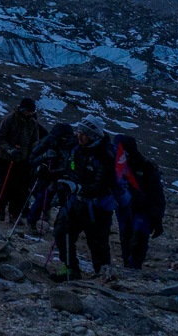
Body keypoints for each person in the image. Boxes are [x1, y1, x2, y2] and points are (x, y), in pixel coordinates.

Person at [55, 116, 116, 280]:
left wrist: (77, 188)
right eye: (79, 131)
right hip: (75, 202)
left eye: (84, 133)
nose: (79, 136)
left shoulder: (106, 156)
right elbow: (70, 170)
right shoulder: (78, 149)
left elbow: (101, 187)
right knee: (62, 233)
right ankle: (70, 268)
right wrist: (52, 175)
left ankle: (102, 276)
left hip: (97, 208)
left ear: (93, 136)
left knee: (97, 243)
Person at [113, 134, 166, 268]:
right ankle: (128, 265)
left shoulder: (146, 168)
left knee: (139, 238)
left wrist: (156, 218)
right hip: (124, 209)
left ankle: (134, 267)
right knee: (126, 237)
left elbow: (157, 194)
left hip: (143, 210)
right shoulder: (116, 166)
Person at [0, 97, 47, 223]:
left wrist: (35, 149)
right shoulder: (9, 119)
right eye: (28, 111)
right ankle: (0, 208)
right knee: (5, 183)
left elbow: (35, 140)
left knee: (19, 186)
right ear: (22, 109)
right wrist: (9, 149)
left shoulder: (33, 123)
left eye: (31, 111)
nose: (30, 114)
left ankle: (14, 212)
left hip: (22, 159)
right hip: (4, 157)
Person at [27, 122, 75, 231]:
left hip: (64, 175)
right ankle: (32, 221)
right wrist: (45, 156)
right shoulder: (48, 142)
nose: (67, 139)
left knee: (65, 203)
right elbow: (32, 160)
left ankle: (60, 227)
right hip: (47, 175)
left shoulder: (72, 145)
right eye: (65, 136)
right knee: (42, 199)